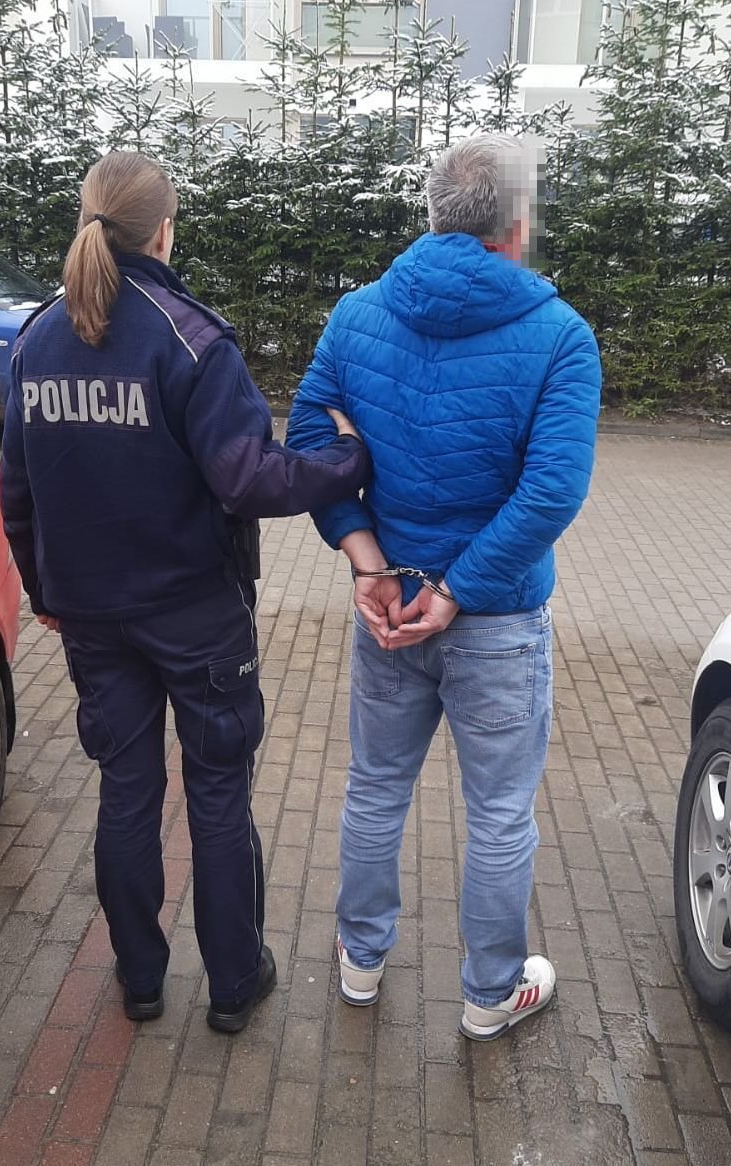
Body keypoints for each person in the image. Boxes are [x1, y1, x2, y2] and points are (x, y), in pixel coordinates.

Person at [0, 151, 368, 1034]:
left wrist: (43, 590)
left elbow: (16, 490)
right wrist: (348, 461)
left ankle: (140, 981)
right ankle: (235, 983)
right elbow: (249, 478)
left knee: (127, 791)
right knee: (217, 794)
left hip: (91, 614)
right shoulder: (192, 339)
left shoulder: (36, 340)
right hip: (196, 615)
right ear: (165, 231)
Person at [286, 134, 601, 1040]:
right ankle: (490, 994)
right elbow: (551, 492)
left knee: (376, 787)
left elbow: (307, 436)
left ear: (433, 213)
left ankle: (360, 960)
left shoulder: (357, 314)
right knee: (499, 813)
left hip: (390, 606)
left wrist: (365, 558)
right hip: (494, 619)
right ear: (518, 224)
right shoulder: (560, 336)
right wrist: (457, 592)